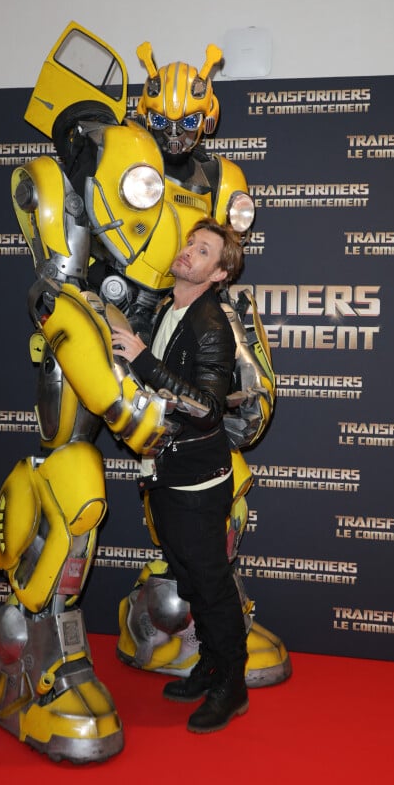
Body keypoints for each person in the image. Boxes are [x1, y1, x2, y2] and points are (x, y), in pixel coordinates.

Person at [111, 217, 249, 733]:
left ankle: (232, 685)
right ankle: (211, 665)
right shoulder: (172, 307)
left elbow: (207, 407)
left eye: (204, 250)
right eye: (191, 242)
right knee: (190, 579)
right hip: (168, 473)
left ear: (218, 274)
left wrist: (144, 361)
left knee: (211, 585)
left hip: (197, 481)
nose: (189, 251)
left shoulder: (210, 324)